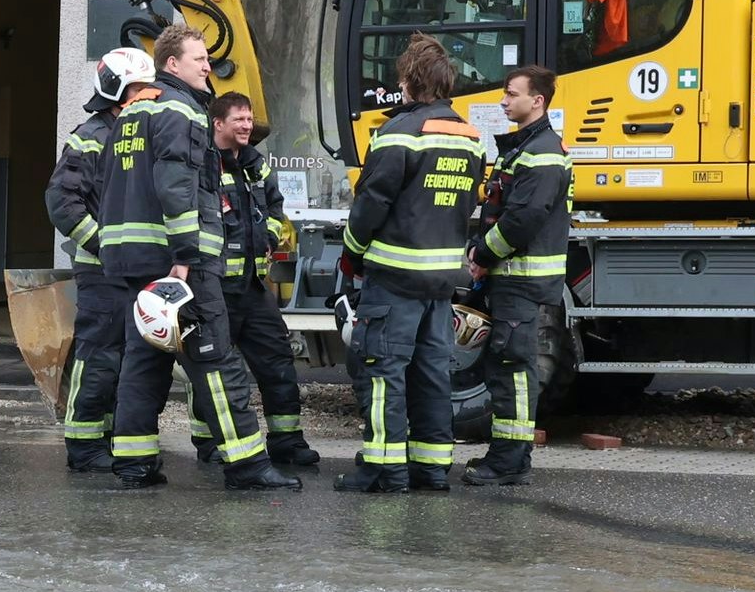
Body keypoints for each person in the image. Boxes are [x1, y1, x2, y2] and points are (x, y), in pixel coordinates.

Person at [98, 28, 297, 490]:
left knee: (144, 362)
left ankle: (134, 463)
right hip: (178, 263)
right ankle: (247, 465)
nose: (208, 66)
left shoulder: (131, 113)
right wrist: (186, 256)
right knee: (215, 357)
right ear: (172, 64)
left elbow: (113, 187)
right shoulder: (182, 108)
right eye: (200, 59)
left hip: (134, 264)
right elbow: (176, 186)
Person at [334, 34, 487, 494]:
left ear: (408, 81)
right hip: (442, 280)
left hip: (394, 277)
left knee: (383, 373)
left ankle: (384, 471)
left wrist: (351, 254)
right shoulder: (471, 139)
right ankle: (431, 469)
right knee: (432, 375)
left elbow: (370, 205)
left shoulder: (397, 134)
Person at [464, 63, 571, 484]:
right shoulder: (528, 147)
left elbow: (522, 220)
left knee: (513, 370)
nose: (503, 101)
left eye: (511, 94)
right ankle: (510, 458)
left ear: (537, 101)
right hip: (515, 280)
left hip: (520, 282)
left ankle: (508, 462)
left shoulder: (541, 153)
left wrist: (482, 253)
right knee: (507, 368)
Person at [210, 88, 321, 471]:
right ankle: (210, 442)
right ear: (218, 123)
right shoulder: (205, 165)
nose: (246, 125)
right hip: (217, 289)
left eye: (249, 118)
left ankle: (287, 441)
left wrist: (271, 234)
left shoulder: (257, 164)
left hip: (255, 289)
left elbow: (275, 207)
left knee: (277, 360)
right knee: (216, 369)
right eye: (238, 119)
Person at [46, 48, 147, 471]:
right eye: (142, 88)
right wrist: (105, 246)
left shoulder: (134, 132)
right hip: (101, 269)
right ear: (119, 91)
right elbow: (62, 200)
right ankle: (84, 445)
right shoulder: (91, 135)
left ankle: (102, 435)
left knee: (122, 358)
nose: (150, 96)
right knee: (100, 355)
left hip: (128, 268)